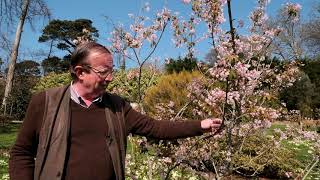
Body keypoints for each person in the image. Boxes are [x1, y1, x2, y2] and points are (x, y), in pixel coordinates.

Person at [9, 42, 222, 180]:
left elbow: (155, 127)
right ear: (80, 72)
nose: (110, 77)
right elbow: (21, 153)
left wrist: (199, 125)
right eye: (104, 72)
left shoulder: (117, 107)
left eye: (112, 71)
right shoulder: (45, 102)